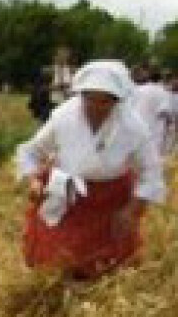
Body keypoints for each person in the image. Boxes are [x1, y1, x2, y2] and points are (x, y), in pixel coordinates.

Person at [16, 60, 166, 280]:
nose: (96, 108)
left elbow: (151, 174)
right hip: (66, 195)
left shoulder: (133, 127)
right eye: (90, 100)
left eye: (104, 102)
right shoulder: (63, 117)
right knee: (57, 260)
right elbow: (31, 152)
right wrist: (34, 181)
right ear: (81, 96)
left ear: (117, 101)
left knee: (105, 267)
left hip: (110, 200)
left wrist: (131, 210)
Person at [132, 68, 174, 157]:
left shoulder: (139, 89)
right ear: (160, 79)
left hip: (138, 128)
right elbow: (164, 112)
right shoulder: (162, 92)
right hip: (154, 131)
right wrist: (170, 122)